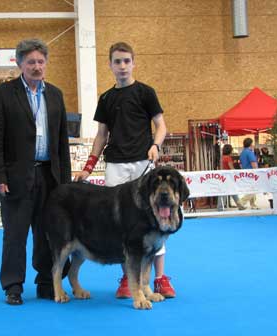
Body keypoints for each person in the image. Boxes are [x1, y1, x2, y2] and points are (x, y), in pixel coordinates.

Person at [74, 42, 174, 299]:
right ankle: (129, 280)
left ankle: (160, 278)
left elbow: (161, 127)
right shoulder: (106, 98)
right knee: (121, 225)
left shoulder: (146, 93)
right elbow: (101, 136)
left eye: (126, 61)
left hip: (144, 164)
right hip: (115, 166)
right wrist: (87, 168)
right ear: (109, 65)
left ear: (133, 63)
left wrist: (155, 145)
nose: (122, 66)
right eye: (117, 61)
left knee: (157, 220)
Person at [0, 38, 71, 306]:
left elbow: (62, 143)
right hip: (15, 177)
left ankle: (47, 282)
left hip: (50, 176)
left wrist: (65, 182)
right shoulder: (3, 94)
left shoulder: (55, 95)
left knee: (49, 233)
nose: (37, 66)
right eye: (31, 62)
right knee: (15, 234)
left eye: (41, 61)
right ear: (19, 64)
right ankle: (13, 286)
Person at [217, 144, 246, 211]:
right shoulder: (228, 158)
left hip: (222, 176)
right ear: (230, 150)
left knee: (227, 191)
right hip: (228, 177)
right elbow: (231, 168)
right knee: (228, 191)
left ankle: (239, 205)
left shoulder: (222, 157)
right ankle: (221, 207)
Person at [239, 137, 259, 209]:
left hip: (245, 172)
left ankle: (253, 204)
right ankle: (241, 202)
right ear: (250, 144)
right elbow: (253, 162)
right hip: (252, 172)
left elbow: (240, 164)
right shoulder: (250, 152)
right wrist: (256, 171)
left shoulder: (242, 152)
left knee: (251, 188)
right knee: (254, 188)